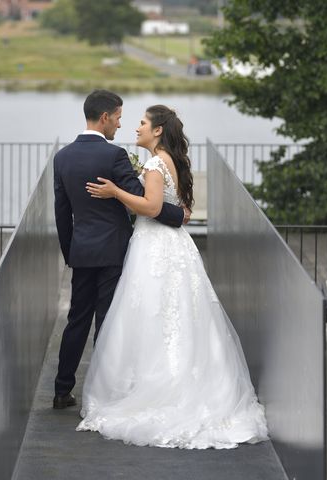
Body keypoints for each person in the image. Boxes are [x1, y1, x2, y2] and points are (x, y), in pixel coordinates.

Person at [76, 104, 269, 449]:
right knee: (178, 314)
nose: (135, 128)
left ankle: (157, 387)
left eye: (142, 123)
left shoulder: (153, 164)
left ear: (158, 130)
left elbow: (150, 207)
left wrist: (116, 192)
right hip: (176, 246)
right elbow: (180, 209)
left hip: (154, 246)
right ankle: (186, 379)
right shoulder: (173, 160)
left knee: (153, 312)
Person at [53, 90, 190, 410]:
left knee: (77, 320)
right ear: (104, 117)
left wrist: (70, 252)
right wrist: (179, 215)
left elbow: (62, 213)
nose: (119, 125)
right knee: (108, 320)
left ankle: (62, 389)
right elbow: (144, 204)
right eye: (117, 118)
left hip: (82, 251)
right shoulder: (113, 156)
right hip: (113, 250)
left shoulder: (62, 157)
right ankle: (103, 391)